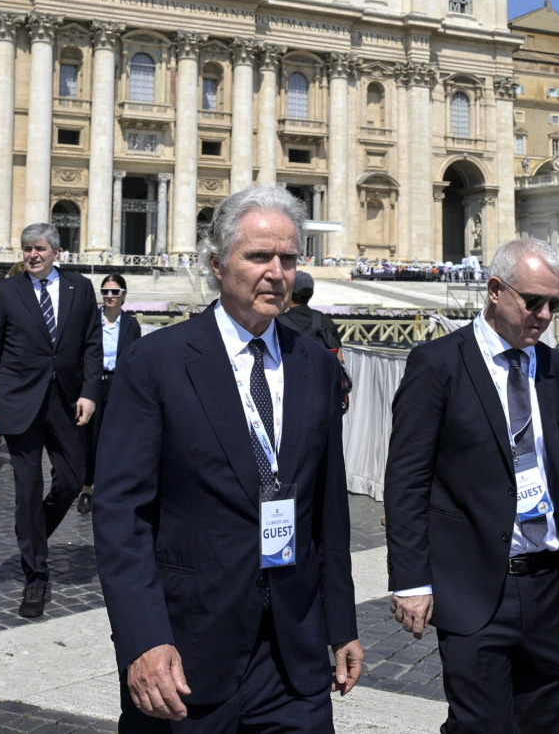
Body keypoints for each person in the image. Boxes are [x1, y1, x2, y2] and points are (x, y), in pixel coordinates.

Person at [93, 186, 362, 731]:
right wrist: (143, 639)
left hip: (294, 654)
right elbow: (121, 514)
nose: (277, 273)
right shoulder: (156, 363)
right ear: (217, 264)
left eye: (288, 258)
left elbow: (327, 510)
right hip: (188, 652)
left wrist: (342, 623)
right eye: (259, 257)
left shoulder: (316, 365)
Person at [384, 237, 559, 734]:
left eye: (555, 303)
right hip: (473, 582)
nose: (545, 315)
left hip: (548, 584)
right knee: (479, 725)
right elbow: (406, 480)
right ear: (494, 290)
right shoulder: (438, 364)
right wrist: (410, 580)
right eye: (534, 301)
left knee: (541, 721)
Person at [0, 223, 102, 618]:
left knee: (71, 477)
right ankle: (36, 574)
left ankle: (33, 533)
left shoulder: (79, 288)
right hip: (18, 404)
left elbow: (92, 344)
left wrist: (90, 392)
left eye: (40, 248)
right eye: (27, 248)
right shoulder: (6, 292)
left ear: (56, 252)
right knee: (27, 488)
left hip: (65, 403)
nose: (32, 255)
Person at [77, 272, 140, 514]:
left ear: (124, 295)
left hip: (117, 384)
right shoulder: (91, 320)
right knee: (90, 439)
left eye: (115, 291)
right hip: (93, 382)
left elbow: (134, 359)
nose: (109, 296)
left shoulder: (131, 324)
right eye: (105, 291)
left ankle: (110, 489)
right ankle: (86, 490)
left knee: (114, 438)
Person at [275, 270, 351, 413]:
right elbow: (340, 359)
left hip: (289, 398)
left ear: (289, 291)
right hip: (323, 397)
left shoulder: (277, 323)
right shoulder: (326, 321)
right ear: (310, 294)